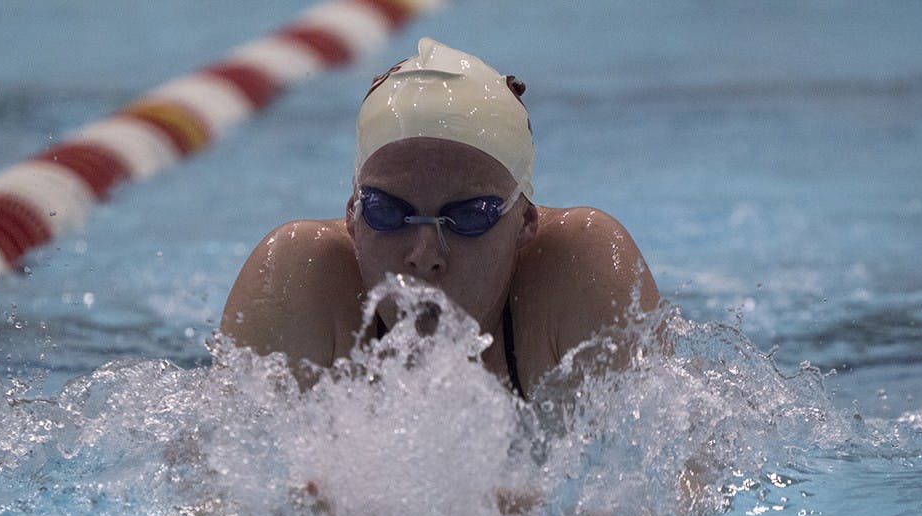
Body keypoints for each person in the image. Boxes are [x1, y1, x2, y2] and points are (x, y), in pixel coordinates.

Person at [221, 37, 659, 399]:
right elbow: (208, 491)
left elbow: (684, 486)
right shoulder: (299, 280)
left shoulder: (581, 273)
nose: (425, 255)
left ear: (525, 222)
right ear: (353, 214)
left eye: (468, 217)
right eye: (388, 211)